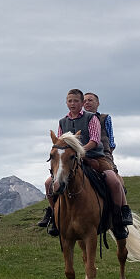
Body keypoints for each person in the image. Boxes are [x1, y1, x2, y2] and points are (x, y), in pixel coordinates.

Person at [37, 88, 132, 236]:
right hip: (72, 160)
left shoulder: (91, 118)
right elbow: (61, 142)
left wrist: (80, 151)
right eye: (70, 101)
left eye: (76, 101)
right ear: (66, 103)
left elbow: (95, 140)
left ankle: (120, 216)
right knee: (49, 183)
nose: (73, 103)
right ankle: (54, 217)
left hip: (95, 157)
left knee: (114, 180)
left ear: (81, 103)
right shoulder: (63, 122)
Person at [82, 92, 116, 170]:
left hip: (103, 154)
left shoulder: (105, 118)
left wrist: (108, 152)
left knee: (111, 173)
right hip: (82, 154)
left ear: (97, 103)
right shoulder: (77, 119)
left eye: (90, 100)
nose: (87, 102)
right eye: (84, 101)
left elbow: (110, 139)